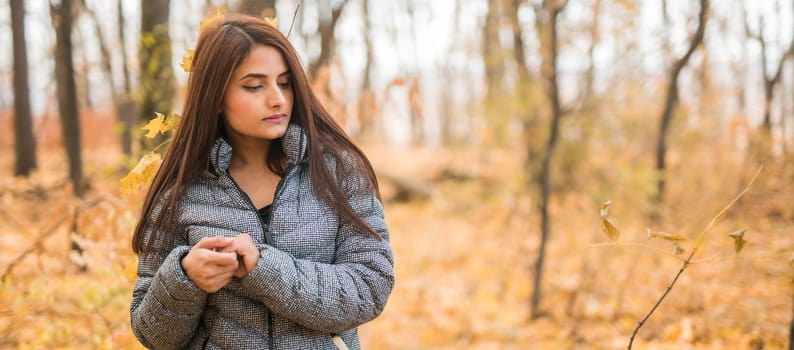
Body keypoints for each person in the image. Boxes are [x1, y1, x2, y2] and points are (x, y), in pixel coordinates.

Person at [129, 13, 394, 349]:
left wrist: (265, 269)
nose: (277, 99)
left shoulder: (337, 172)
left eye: (284, 83)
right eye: (254, 86)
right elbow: (153, 335)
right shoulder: (182, 191)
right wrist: (185, 278)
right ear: (216, 97)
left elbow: (371, 289)